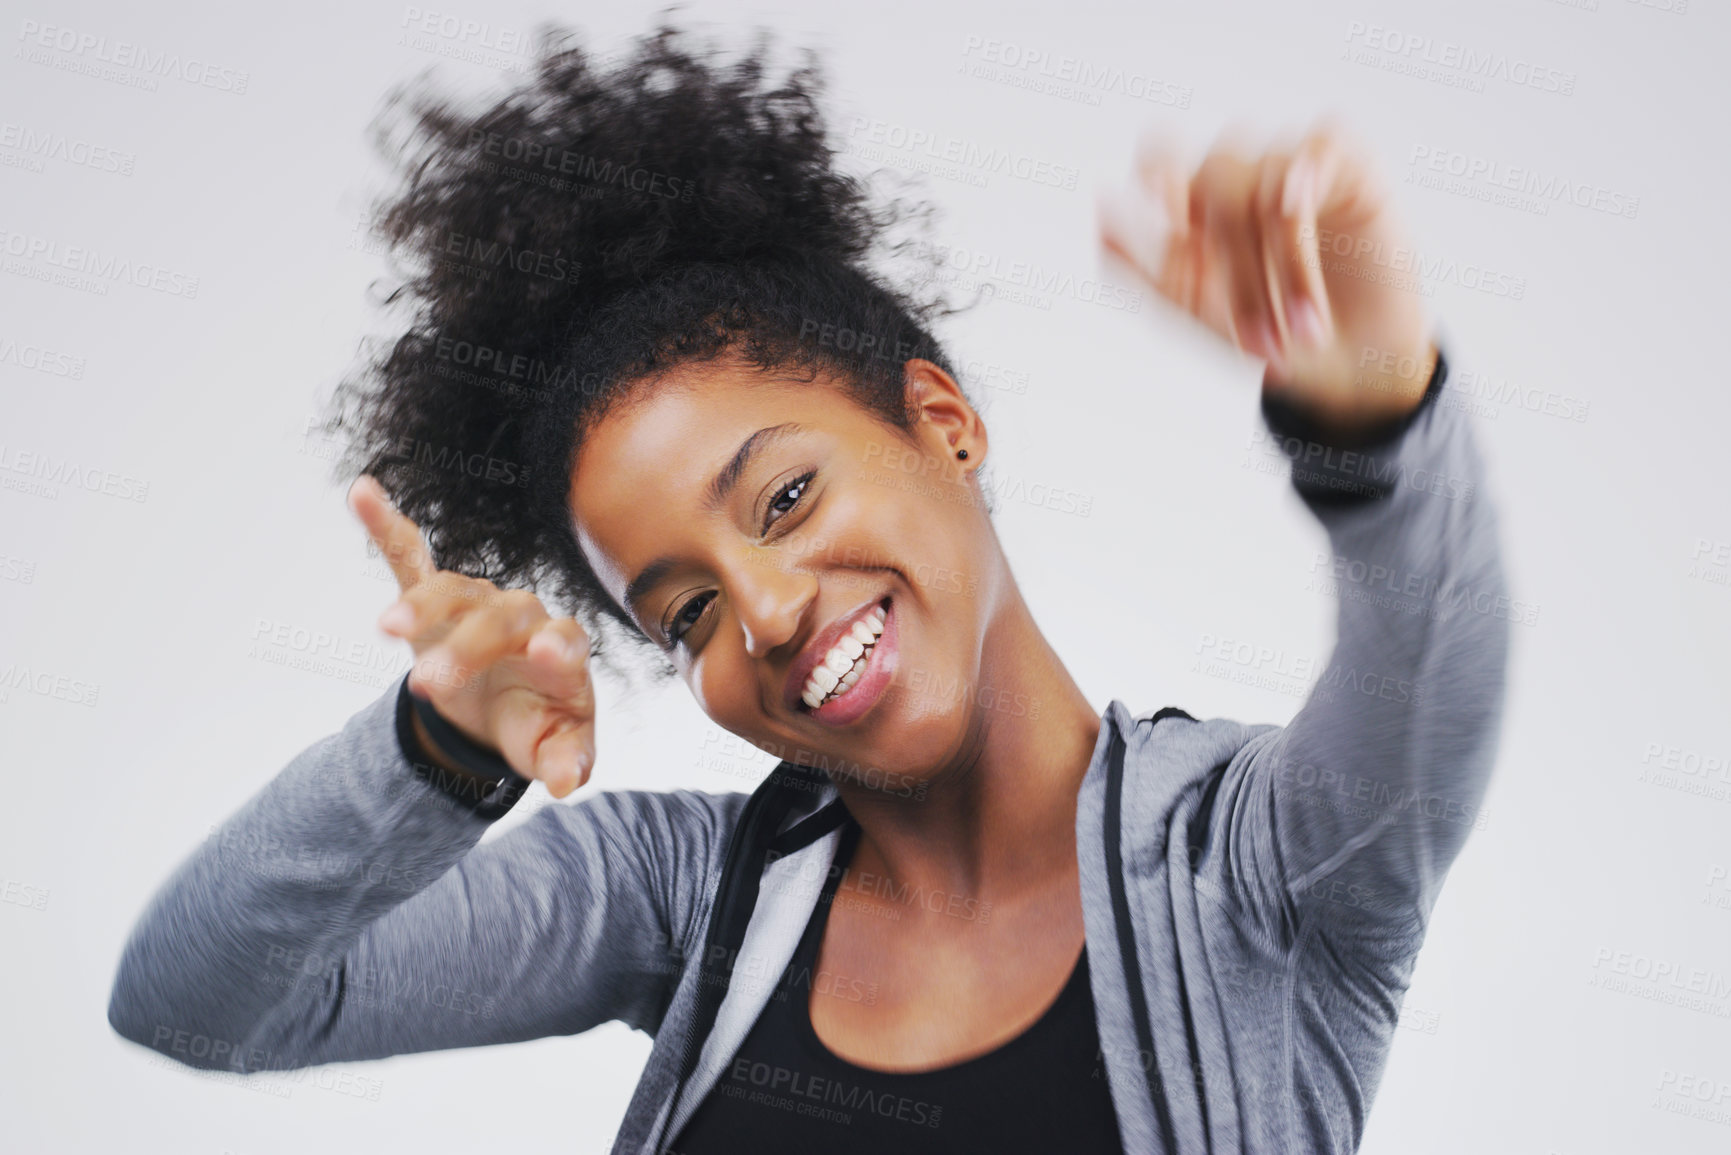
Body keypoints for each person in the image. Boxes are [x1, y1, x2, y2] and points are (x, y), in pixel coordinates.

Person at [107, 21, 1509, 1155]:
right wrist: (434, 753)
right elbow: (201, 1004)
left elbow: (1430, 678)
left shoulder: (1254, 865)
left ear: (943, 425)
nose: (767, 613)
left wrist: (1378, 427)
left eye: (783, 497)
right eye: (687, 613)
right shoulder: (681, 895)